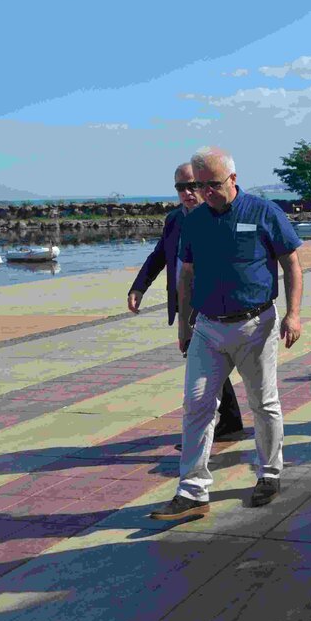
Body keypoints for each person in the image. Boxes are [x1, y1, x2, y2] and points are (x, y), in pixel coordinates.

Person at [149, 147, 303, 520]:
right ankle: (192, 491)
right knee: (197, 404)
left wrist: (294, 314)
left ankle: (269, 473)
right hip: (207, 327)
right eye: (198, 185)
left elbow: (292, 264)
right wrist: (184, 326)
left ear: (233, 178)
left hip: (255, 324)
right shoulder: (195, 221)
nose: (205, 192)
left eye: (213, 184)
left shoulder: (264, 212)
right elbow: (186, 276)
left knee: (263, 402)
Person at [128, 163, 243, 448]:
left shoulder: (219, 217)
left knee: (205, 368)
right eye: (181, 188)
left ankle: (212, 428)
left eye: (193, 186)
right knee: (204, 366)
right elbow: (159, 255)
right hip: (185, 305)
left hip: (214, 304)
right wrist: (139, 287)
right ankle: (227, 421)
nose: (187, 193)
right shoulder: (175, 219)